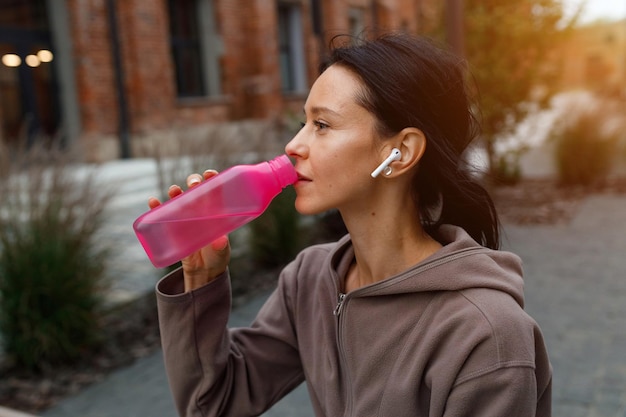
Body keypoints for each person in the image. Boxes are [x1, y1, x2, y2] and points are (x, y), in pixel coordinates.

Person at [150, 32, 552, 417]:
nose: (294, 145)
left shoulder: (486, 335)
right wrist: (201, 282)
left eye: (321, 125)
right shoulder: (310, 281)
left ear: (400, 152)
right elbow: (215, 403)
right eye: (303, 122)